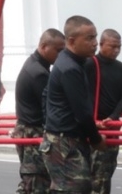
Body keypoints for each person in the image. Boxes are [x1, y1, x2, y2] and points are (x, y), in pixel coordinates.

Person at [42, 15, 103, 193]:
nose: (95, 43)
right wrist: (97, 139)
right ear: (72, 41)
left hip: (64, 139)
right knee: (75, 189)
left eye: (95, 37)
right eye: (89, 38)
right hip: (64, 142)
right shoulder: (70, 68)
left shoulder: (74, 63)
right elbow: (82, 114)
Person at [12, 29, 64, 194]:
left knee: (33, 182)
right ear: (44, 46)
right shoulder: (38, 72)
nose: (61, 55)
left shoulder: (37, 65)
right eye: (58, 50)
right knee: (36, 182)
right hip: (32, 132)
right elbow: (50, 108)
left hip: (28, 129)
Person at [92, 29, 122, 194]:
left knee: (105, 172)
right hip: (91, 126)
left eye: (119, 47)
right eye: (113, 46)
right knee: (88, 174)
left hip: (111, 127)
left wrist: (113, 117)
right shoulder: (90, 64)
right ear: (101, 45)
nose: (116, 51)